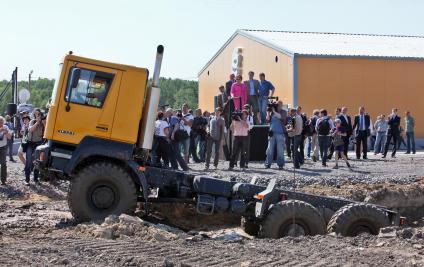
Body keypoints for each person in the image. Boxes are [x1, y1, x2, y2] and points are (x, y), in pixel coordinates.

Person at [25, 109, 45, 185]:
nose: (38, 116)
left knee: (37, 162)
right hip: (30, 144)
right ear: (34, 115)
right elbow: (30, 130)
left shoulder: (43, 123)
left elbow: (46, 132)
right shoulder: (32, 121)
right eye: (36, 114)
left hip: (39, 144)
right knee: (29, 162)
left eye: (39, 114)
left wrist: (43, 123)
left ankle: (36, 179)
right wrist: (37, 122)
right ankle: (27, 180)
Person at [265, 104, 285, 170]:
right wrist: (268, 113)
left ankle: (280, 164)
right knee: (269, 149)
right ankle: (268, 164)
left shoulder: (282, 112)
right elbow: (267, 120)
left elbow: (280, 117)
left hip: (280, 133)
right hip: (272, 133)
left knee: (280, 150)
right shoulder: (271, 113)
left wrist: (274, 111)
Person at [0, 116, 13, 185]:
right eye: (0, 122)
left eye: (2, 122)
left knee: (3, 164)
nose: (1, 124)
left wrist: (6, 132)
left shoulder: (5, 127)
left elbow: (9, 137)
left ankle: (3, 180)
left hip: (3, 148)